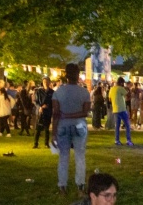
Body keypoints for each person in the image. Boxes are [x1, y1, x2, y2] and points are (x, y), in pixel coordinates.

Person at [52, 63, 93, 196]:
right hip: (79, 126)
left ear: (66, 75)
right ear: (78, 75)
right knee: (80, 156)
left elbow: (56, 113)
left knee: (63, 156)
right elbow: (85, 112)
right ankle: (80, 186)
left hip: (63, 126)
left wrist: (53, 133)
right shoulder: (84, 92)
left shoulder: (58, 92)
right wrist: (72, 115)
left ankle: (62, 186)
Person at [109, 77, 133, 146]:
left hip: (115, 109)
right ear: (122, 83)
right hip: (122, 109)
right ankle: (128, 140)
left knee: (117, 126)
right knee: (127, 125)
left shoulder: (112, 89)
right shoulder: (120, 88)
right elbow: (128, 95)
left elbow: (110, 99)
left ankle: (117, 140)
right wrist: (128, 90)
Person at [34, 78, 54, 149]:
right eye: (44, 82)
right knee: (38, 128)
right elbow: (36, 101)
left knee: (46, 128)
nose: (45, 83)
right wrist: (40, 107)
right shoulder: (39, 91)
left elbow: (53, 102)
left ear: (49, 82)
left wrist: (48, 106)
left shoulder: (52, 92)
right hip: (40, 111)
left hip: (48, 111)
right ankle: (36, 143)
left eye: (47, 82)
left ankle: (46, 143)